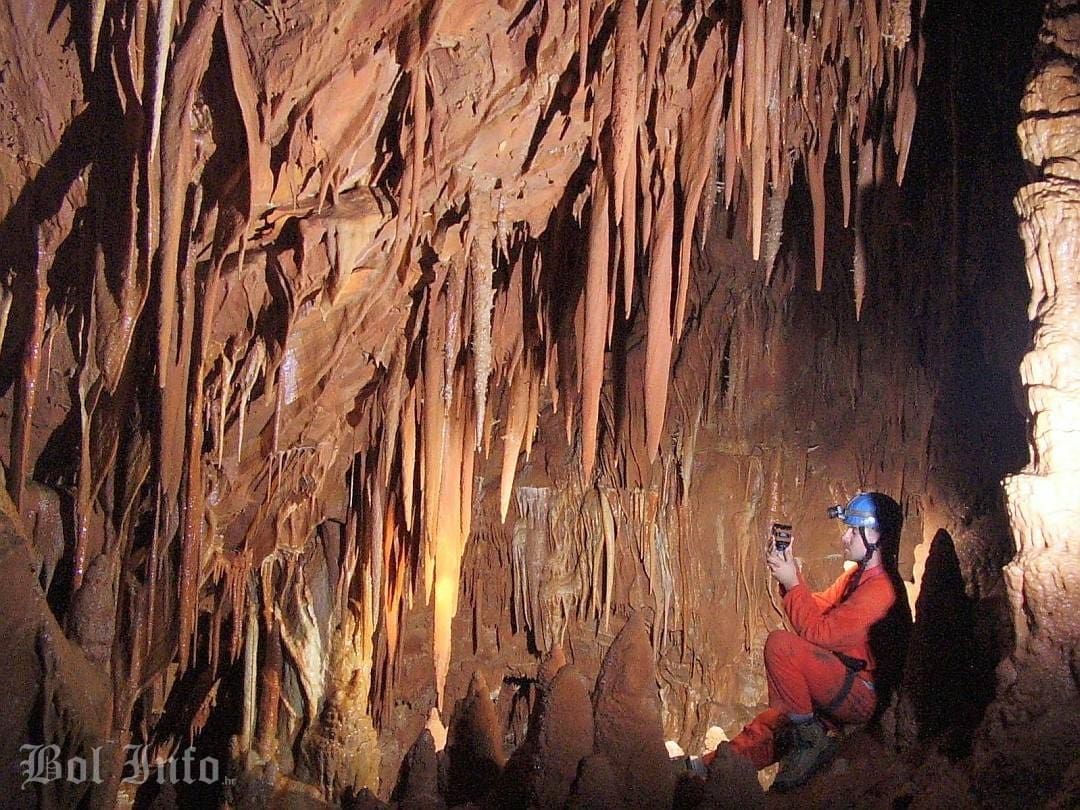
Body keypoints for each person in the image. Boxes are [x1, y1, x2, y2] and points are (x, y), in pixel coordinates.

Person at [712, 492, 910, 791]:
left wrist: (792, 583)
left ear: (875, 535)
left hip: (862, 695)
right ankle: (702, 769)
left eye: (852, 531)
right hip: (839, 681)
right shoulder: (857, 578)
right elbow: (818, 608)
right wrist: (791, 577)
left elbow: (819, 633)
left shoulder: (881, 591)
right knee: (773, 726)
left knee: (781, 646)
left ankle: (809, 740)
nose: (844, 538)